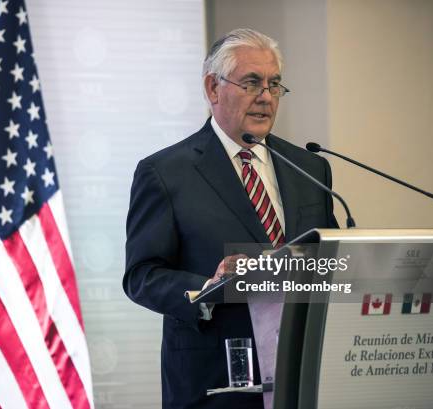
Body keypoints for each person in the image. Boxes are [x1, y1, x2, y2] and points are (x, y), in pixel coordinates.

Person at [123, 28, 338, 409]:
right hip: (216, 382)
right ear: (212, 88)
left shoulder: (310, 168)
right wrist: (209, 286)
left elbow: (330, 259)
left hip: (304, 379)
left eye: (275, 85)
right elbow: (142, 276)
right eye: (252, 82)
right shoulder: (165, 172)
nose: (266, 97)